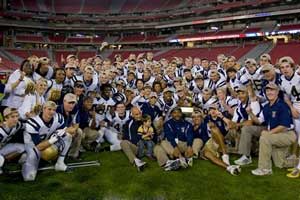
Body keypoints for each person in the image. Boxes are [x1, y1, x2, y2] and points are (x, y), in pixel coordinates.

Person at [247, 83, 296, 176]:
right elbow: (258, 121)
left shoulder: (282, 105)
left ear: (277, 92)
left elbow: (284, 125)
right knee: (280, 164)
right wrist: (250, 113)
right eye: (267, 90)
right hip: (277, 136)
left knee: (265, 138)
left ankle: (265, 169)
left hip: (287, 134)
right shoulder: (266, 107)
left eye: (272, 90)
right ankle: (297, 162)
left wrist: (269, 133)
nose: (269, 92)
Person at [22, 101, 74, 181]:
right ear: (43, 109)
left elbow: (67, 129)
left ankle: (60, 163)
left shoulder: (58, 117)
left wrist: (67, 130)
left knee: (68, 136)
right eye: (49, 109)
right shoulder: (33, 122)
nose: (52, 112)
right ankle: (25, 158)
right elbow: (39, 146)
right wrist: (54, 138)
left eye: (54, 110)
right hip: (32, 146)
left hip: (46, 142)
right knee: (29, 178)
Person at [120, 106, 146, 171]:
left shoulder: (146, 120)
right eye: (136, 114)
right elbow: (131, 139)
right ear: (132, 115)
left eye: (139, 113)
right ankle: (136, 161)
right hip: (137, 147)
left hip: (148, 147)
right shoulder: (129, 123)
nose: (139, 116)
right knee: (123, 143)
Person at [0, 108, 25, 175]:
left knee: (22, 147)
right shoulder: (1, 131)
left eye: (17, 116)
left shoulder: (17, 125)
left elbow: (27, 125)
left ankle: (6, 162)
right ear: (6, 118)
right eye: (12, 117)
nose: (15, 119)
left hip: (2, 147)